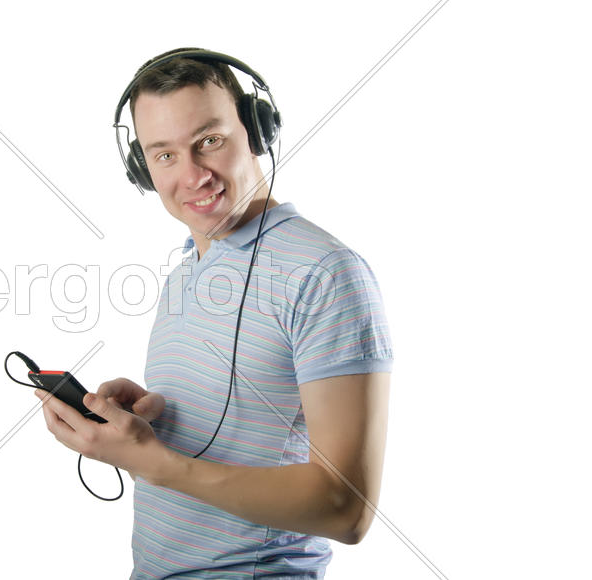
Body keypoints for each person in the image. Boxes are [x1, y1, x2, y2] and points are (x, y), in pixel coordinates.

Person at [34, 48, 394, 579]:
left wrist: (154, 463)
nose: (193, 176)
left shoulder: (324, 273)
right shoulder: (187, 269)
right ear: (143, 167)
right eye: (165, 155)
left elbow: (346, 508)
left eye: (209, 141)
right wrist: (147, 421)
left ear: (256, 130)